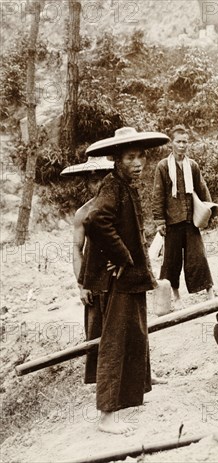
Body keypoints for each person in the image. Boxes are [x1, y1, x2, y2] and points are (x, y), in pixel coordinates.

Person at [82, 126, 170, 434]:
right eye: (130, 157)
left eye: (141, 157)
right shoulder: (112, 186)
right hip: (118, 278)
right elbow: (95, 220)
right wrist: (120, 256)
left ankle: (140, 385)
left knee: (136, 330)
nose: (138, 163)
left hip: (131, 276)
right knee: (116, 342)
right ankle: (107, 414)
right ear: (116, 159)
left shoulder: (125, 185)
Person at [61, 155, 113, 384]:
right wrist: (82, 284)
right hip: (94, 278)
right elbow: (76, 247)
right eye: (92, 179)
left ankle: (142, 374)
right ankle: (100, 378)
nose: (97, 183)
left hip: (120, 276)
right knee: (96, 329)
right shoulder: (83, 213)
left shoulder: (121, 206)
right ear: (86, 183)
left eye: (101, 177)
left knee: (130, 326)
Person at [152, 125, 215, 301]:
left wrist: (209, 211)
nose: (182, 145)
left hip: (190, 221)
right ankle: (175, 294)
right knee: (171, 261)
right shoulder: (163, 166)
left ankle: (209, 291)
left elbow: (202, 189)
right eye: (178, 141)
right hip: (171, 222)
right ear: (171, 144)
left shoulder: (192, 165)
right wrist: (159, 221)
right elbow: (158, 194)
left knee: (198, 256)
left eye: (185, 142)